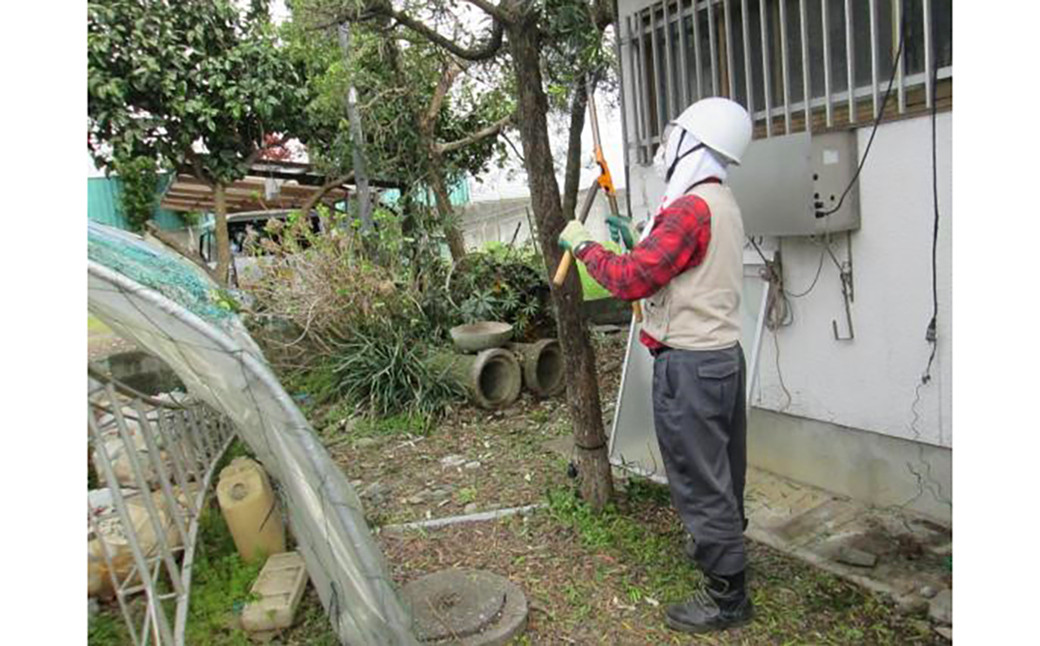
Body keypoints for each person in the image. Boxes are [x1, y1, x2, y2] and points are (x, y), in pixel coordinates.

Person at [558, 97, 754, 634]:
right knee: (722, 471)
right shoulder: (719, 201)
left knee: (698, 477)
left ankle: (726, 598)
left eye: (675, 136)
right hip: (720, 359)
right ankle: (725, 556)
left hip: (690, 366)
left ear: (695, 145)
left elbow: (629, 281)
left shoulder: (690, 210)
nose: (666, 146)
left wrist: (585, 247)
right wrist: (635, 238)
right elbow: (675, 263)